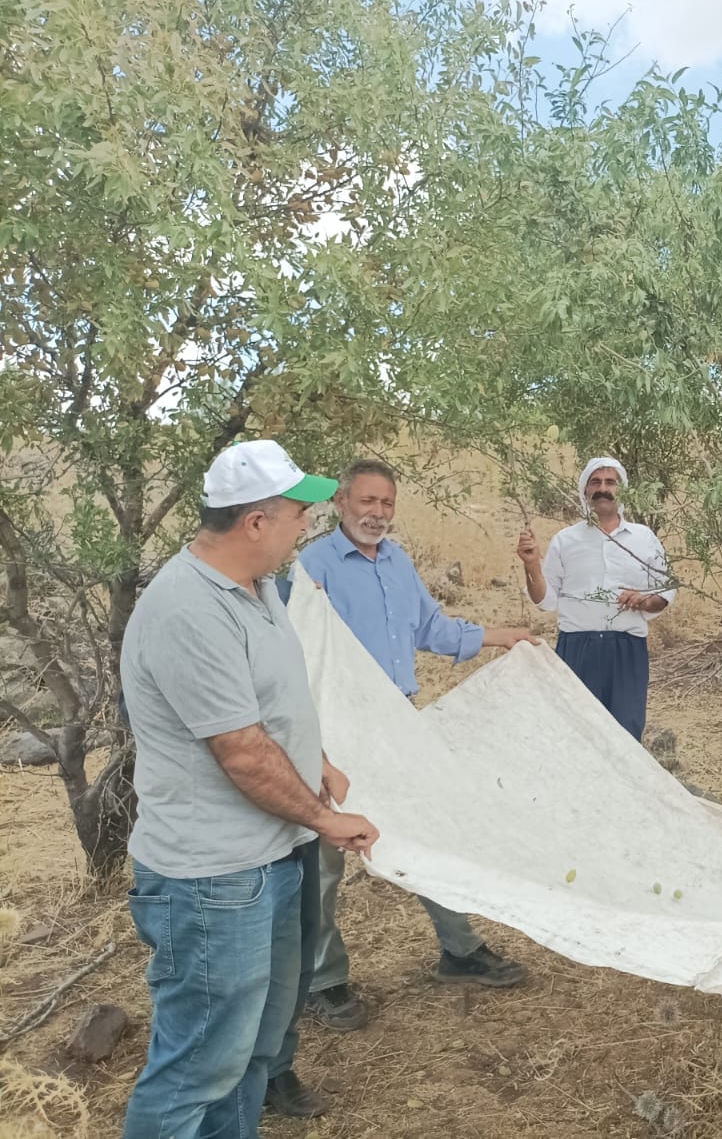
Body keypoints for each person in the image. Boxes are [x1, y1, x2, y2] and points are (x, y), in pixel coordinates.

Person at [120, 440, 379, 1139]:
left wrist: (314, 756)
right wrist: (328, 822)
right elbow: (240, 753)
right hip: (213, 879)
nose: (307, 528)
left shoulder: (258, 590)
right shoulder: (187, 609)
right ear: (256, 522)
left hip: (271, 857)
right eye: (298, 514)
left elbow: (266, 706)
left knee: (254, 1053)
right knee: (197, 1068)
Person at [280, 458, 536, 1045]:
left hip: (397, 723)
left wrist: (501, 636)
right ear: (341, 502)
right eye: (367, 501)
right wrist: (311, 746)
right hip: (335, 731)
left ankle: (461, 950)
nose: (377, 513)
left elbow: (432, 629)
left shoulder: (397, 562)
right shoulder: (311, 566)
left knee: (426, 832)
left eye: (387, 503)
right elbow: (295, 656)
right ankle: (324, 980)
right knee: (325, 861)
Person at [517, 456, 675, 740]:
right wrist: (531, 565)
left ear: (622, 490)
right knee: (574, 734)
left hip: (627, 651)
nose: (603, 488)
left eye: (610, 482)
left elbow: (665, 592)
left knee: (625, 734)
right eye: (595, 482)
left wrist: (643, 600)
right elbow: (546, 600)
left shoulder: (644, 537)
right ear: (585, 491)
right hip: (577, 649)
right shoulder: (566, 540)